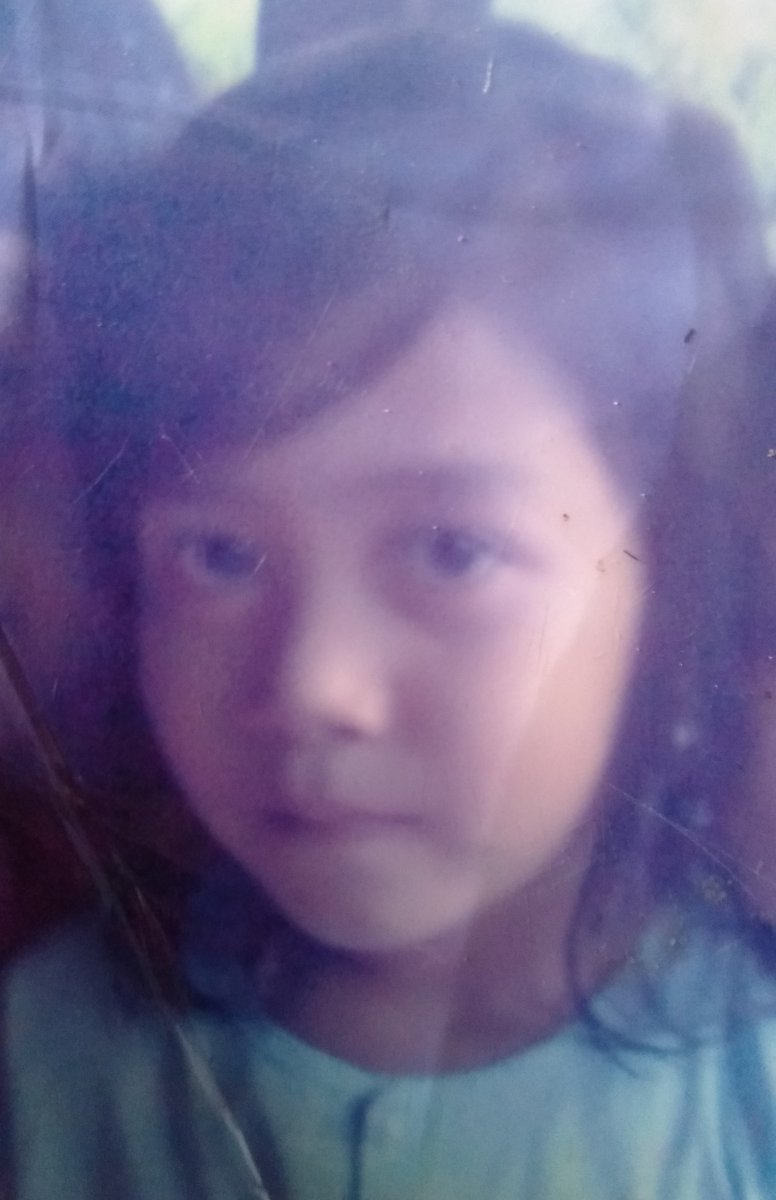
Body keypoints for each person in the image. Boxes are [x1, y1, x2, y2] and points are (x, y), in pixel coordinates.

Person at [2, 21, 773, 1199]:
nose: (313, 685)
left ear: (663, 580)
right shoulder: (46, 1060)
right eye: (217, 555)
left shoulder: (747, 1084)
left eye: (451, 551)